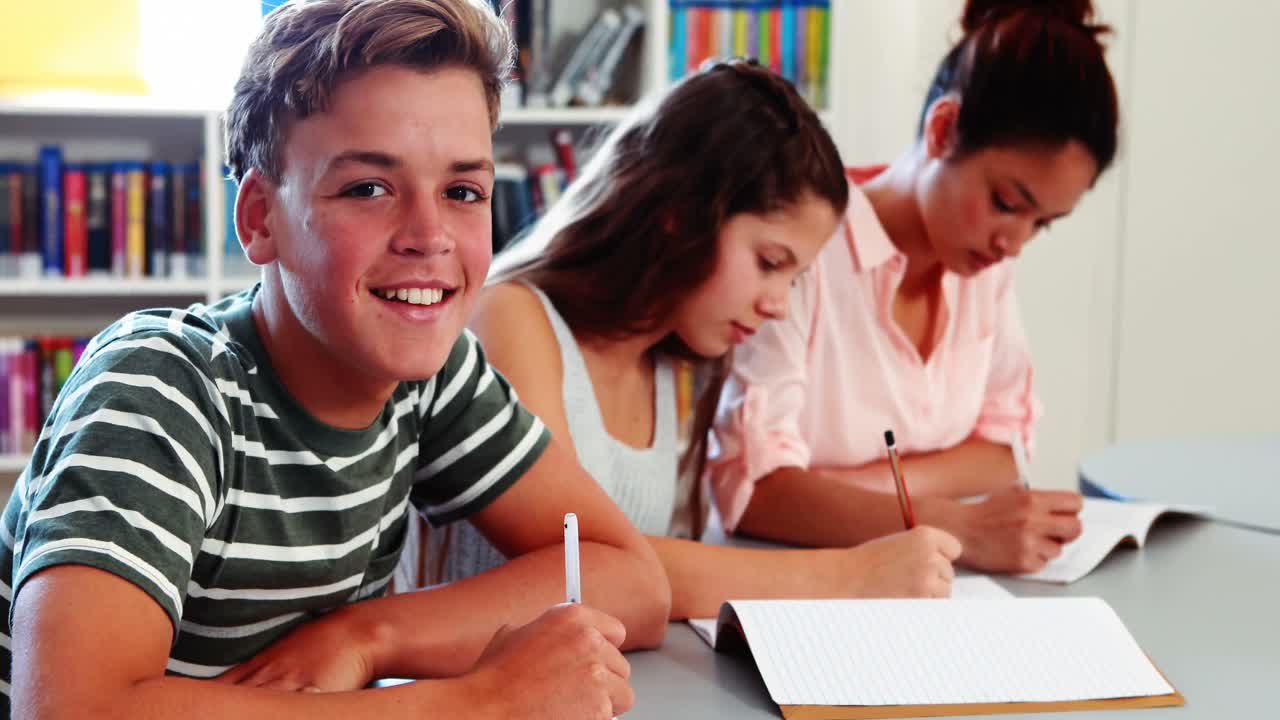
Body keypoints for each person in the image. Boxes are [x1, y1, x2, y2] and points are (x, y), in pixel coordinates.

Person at [2, 2, 669, 718]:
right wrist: (475, 704)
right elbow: (71, 709)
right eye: (368, 188)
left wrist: (365, 636)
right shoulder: (162, 387)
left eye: (463, 191)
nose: (428, 234)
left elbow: (631, 577)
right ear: (260, 218)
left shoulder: (433, 376)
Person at [409, 59, 961, 622]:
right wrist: (852, 576)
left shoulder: (669, 363)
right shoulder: (513, 318)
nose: (778, 304)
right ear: (679, 214)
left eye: (793, 279)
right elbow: (581, 568)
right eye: (769, 262)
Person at [709, 0, 1119, 574]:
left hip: (941, 589)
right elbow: (755, 493)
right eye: (1006, 203)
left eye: (1041, 222)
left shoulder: (984, 266)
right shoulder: (803, 253)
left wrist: (841, 491)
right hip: (795, 586)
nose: (1015, 243)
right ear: (943, 129)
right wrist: (952, 520)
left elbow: (1007, 454)